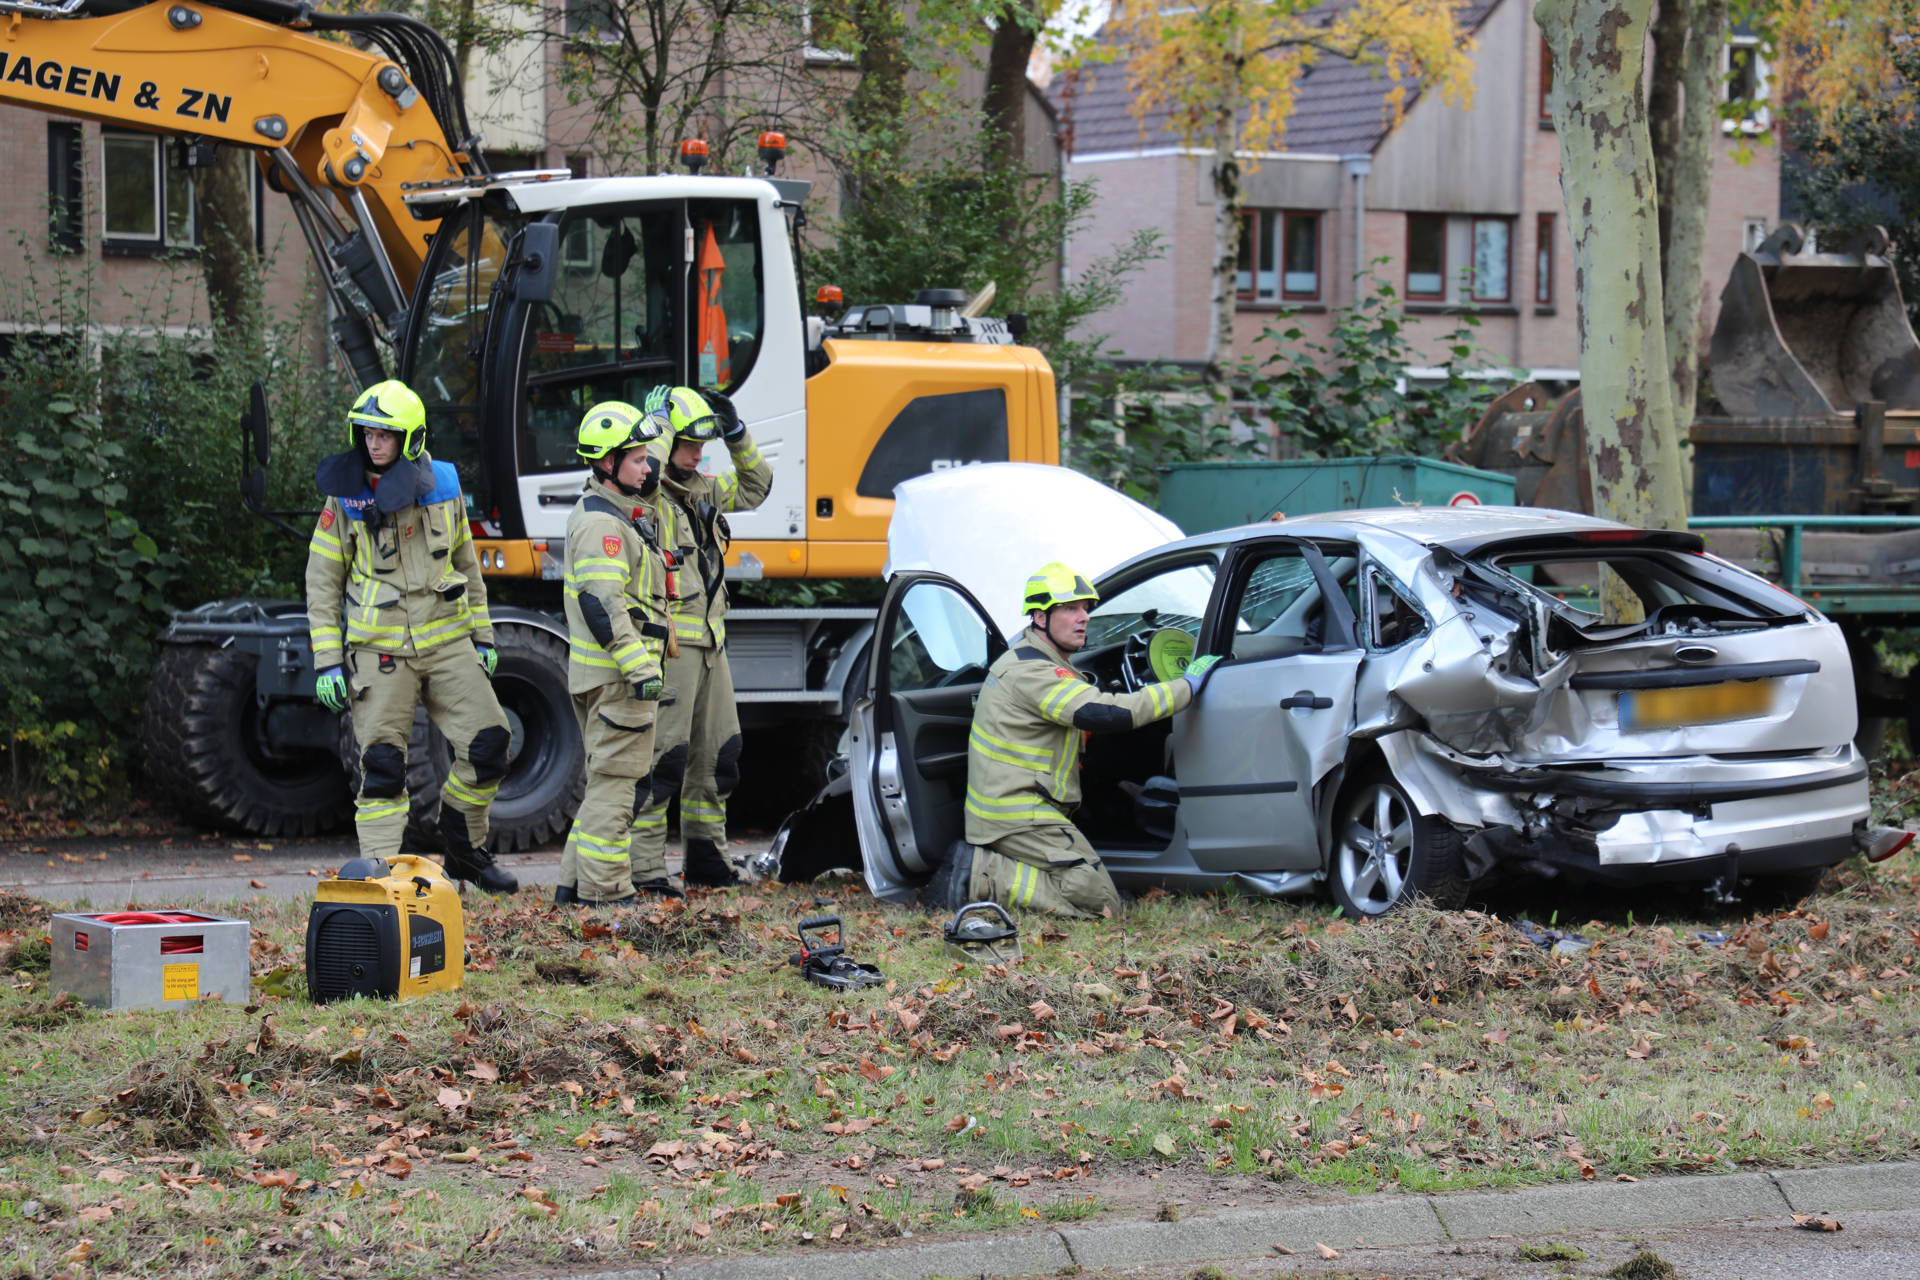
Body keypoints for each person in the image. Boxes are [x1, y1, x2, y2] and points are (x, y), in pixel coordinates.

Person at [305, 380, 517, 893]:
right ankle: (381, 883)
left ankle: (463, 846)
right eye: (368, 433)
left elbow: (466, 563)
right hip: (379, 652)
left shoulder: (443, 486)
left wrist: (483, 638)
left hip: (447, 643)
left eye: (385, 435)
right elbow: (322, 578)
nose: (374, 444)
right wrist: (327, 660)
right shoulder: (346, 496)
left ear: (412, 438)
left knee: (489, 745)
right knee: (381, 766)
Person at [928, 562, 1222, 918]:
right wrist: (1185, 687)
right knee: (1101, 905)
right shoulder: (1031, 671)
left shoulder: (1040, 661)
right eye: (1069, 608)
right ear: (1039, 617)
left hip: (1023, 808)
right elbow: (1108, 713)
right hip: (1017, 814)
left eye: (1085, 608)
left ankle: (1000, 868)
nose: (1083, 617)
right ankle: (978, 874)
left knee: (1092, 885)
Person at [629, 385, 773, 888]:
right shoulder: (644, 496)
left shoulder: (704, 488)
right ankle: (645, 869)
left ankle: (708, 859)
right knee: (662, 761)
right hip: (670, 647)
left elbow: (756, 485)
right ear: (665, 442)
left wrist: (737, 433)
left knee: (720, 755)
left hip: (711, 644)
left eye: (703, 445)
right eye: (688, 444)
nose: (697, 454)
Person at [556, 401, 678, 906]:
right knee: (615, 784)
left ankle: (570, 886)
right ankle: (605, 894)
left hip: (604, 676)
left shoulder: (611, 515)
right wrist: (639, 667)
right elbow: (602, 605)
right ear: (608, 464)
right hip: (619, 678)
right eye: (638, 459)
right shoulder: (603, 527)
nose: (648, 467)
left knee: (604, 782)